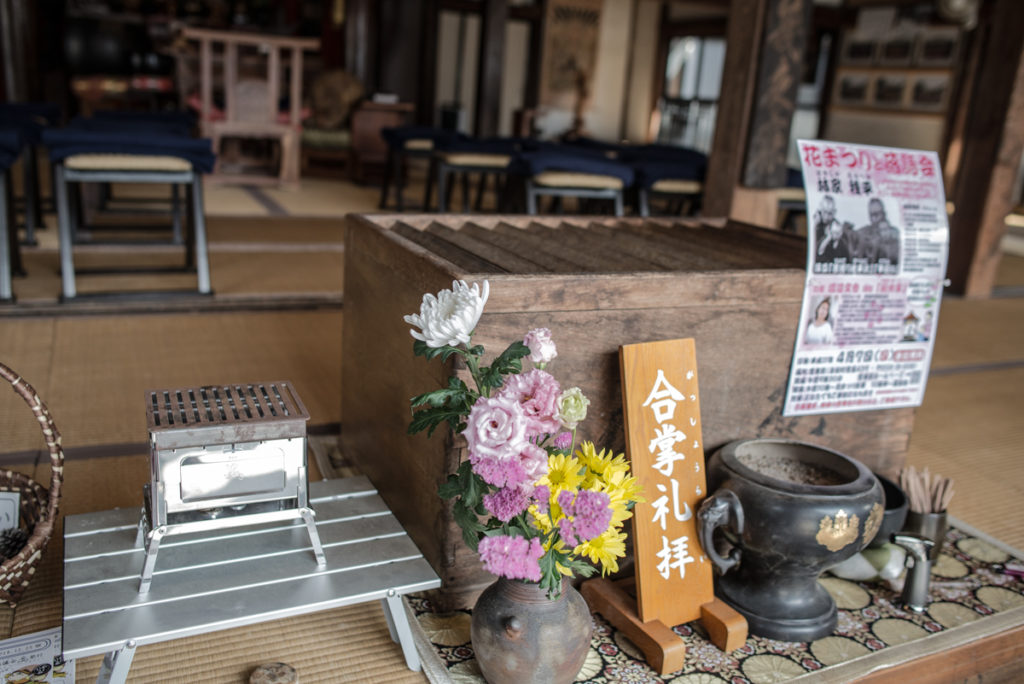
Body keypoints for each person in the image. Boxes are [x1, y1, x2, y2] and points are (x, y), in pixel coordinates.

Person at [855, 198, 900, 268]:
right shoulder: (865, 231)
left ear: (884, 214)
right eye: (871, 215)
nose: (874, 218)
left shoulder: (894, 233)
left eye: (876, 214)